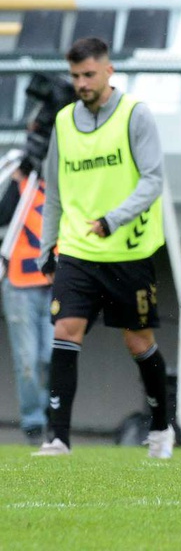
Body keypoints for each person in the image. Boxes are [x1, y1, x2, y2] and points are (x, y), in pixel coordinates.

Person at [34, 37, 173, 458]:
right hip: (78, 250)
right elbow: (54, 191)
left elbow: (152, 180)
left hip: (128, 253)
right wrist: (46, 246)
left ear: (109, 70)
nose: (82, 83)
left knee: (138, 342)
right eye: (75, 76)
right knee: (65, 332)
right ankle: (57, 437)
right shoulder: (63, 122)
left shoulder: (135, 115)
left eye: (89, 74)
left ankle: (162, 427)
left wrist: (113, 219)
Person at [1, 168, 53, 445]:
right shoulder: (21, 181)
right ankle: (34, 424)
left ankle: (50, 412)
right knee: (27, 361)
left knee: (53, 356)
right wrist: (18, 177)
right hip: (20, 283)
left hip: (54, 281)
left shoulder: (63, 179)